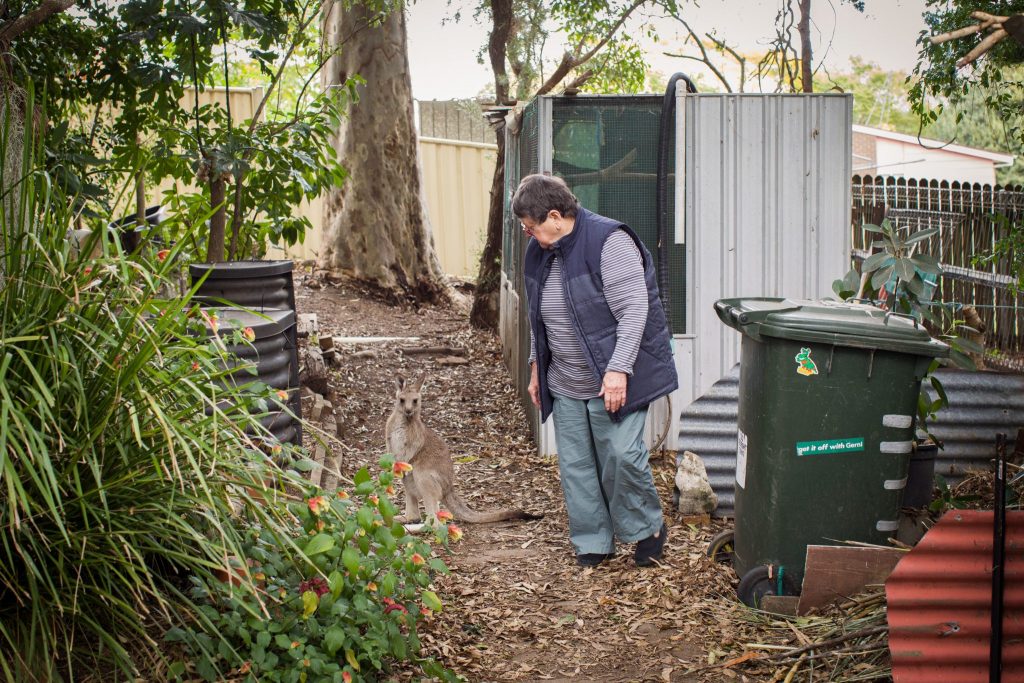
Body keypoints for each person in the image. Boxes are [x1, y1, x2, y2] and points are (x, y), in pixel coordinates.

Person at [515, 173, 678, 568]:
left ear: (555, 216)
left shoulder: (609, 241)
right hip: (566, 379)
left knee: (621, 455)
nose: (528, 235)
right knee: (577, 464)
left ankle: (646, 529)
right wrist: (537, 366)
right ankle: (593, 540)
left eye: (531, 228)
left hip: (613, 377)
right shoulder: (539, 253)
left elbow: (634, 310)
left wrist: (619, 369)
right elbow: (541, 319)